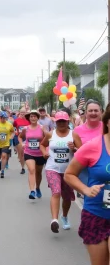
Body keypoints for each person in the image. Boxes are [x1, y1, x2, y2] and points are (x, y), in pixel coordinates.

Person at [64, 103, 110, 265]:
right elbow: (69, 174)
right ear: (108, 122)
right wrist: (85, 189)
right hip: (96, 215)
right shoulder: (93, 146)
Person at [40, 111, 82, 233]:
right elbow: (42, 145)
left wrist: (74, 148)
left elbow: (82, 151)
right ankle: (54, 220)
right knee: (56, 192)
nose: (61, 123)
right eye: (59, 121)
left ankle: (64, 216)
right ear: (55, 122)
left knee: (67, 197)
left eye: (64, 121)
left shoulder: (74, 135)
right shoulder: (50, 134)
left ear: (68, 121)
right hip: (52, 168)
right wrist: (44, 153)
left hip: (69, 171)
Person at [19, 110, 46, 199]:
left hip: (40, 154)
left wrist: (46, 147)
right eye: (31, 116)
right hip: (29, 152)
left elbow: (48, 138)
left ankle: (37, 187)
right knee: (31, 170)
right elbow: (20, 136)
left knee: (38, 172)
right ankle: (32, 191)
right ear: (29, 118)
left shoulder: (42, 128)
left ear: (38, 118)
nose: (33, 118)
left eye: (35, 116)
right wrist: (22, 143)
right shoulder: (25, 129)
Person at [13, 107, 30, 174]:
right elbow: (14, 127)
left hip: (27, 138)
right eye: (21, 112)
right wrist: (16, 132)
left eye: (24, 112)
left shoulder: (28, 121)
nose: (23, 114)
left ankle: (24, 166)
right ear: (19, 113)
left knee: (25, 153)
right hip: (19, 137)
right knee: (21, 152)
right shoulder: (16, 120)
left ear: (26, 113)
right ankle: (23, 167)